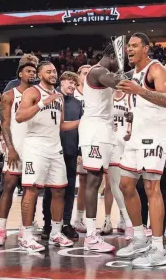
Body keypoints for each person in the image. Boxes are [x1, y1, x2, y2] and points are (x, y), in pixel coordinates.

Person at [116, 33, 166, 267]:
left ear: (146, 49)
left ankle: (158, 249)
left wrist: (139, 91)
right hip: (136, 135)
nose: (130, 49)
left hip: (153, 136)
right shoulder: (134, 74)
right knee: (125, 184)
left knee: (151, 187)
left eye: (135, 46)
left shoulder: (155, 69)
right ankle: (139, 238)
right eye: (128, 46)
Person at [15, 61, 80, 252]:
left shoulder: (58, 97)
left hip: (55, 147)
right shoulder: (33, 92)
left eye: (55, 71)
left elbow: (60, 125)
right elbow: (19, 116)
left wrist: (82, 122)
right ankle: (27, 235)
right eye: (49, 71)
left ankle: (56, 233)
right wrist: (43, 102)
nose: (53, 74)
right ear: (40, 74)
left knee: (59, 190)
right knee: (32, 189)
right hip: (35, 145)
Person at [78, 44, 125, 252]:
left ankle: (92, 233)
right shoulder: (98, 71)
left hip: (103, 131)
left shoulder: (104, 71)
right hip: (94, 132)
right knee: (93, 180)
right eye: (120, 58)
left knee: (98, 180)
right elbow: (119, 83)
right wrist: (129, 74)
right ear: (111, 56)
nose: (120, 63)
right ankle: (90, 235)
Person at [0, 60, 38, 246]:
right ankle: (1, 228)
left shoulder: (39, 94)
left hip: (35, 147)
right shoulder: (9, 94)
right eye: (28, 71)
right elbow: (4, 124)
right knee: (8, 187)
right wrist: (10, 148)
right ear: (20, 74)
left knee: (31, 189)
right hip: (16, 147)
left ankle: (25, 228)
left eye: (34, 71)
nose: (32, 74)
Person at [41, 72, 83, 240]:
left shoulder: (78, 104)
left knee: (69, 190)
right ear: (62, 82)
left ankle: (65, 223)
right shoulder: (52, 98)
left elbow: (81, 128)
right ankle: (47, 224)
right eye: (70, 82)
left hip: (71, 151)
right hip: (52, 151)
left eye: (75, 83)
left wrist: (80, 151)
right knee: (51, 191)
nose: (72, 85)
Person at [136, 104, 166, 244]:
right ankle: (142, 231)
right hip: (144, 158)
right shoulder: (144, 109)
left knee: (162, 197)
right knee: (142, 193)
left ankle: (159, 233)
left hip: (164, 160)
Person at [100, 89, 134, 239]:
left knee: (127, 184)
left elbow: (135, 117)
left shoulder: (130, 98)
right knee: (114, 183)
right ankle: (128, 222)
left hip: (127, 144)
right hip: (111, 144)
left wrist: (131, 130)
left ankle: (130, 220)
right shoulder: (106, 98)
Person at [73, 64, 91, 233]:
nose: (87, 76)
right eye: (84, 73)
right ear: (78, 76)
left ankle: (79, 218)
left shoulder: (95, 93)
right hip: (71, 141)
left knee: (85, 182)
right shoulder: (72, 94)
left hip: (88, 141)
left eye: (89, 73)